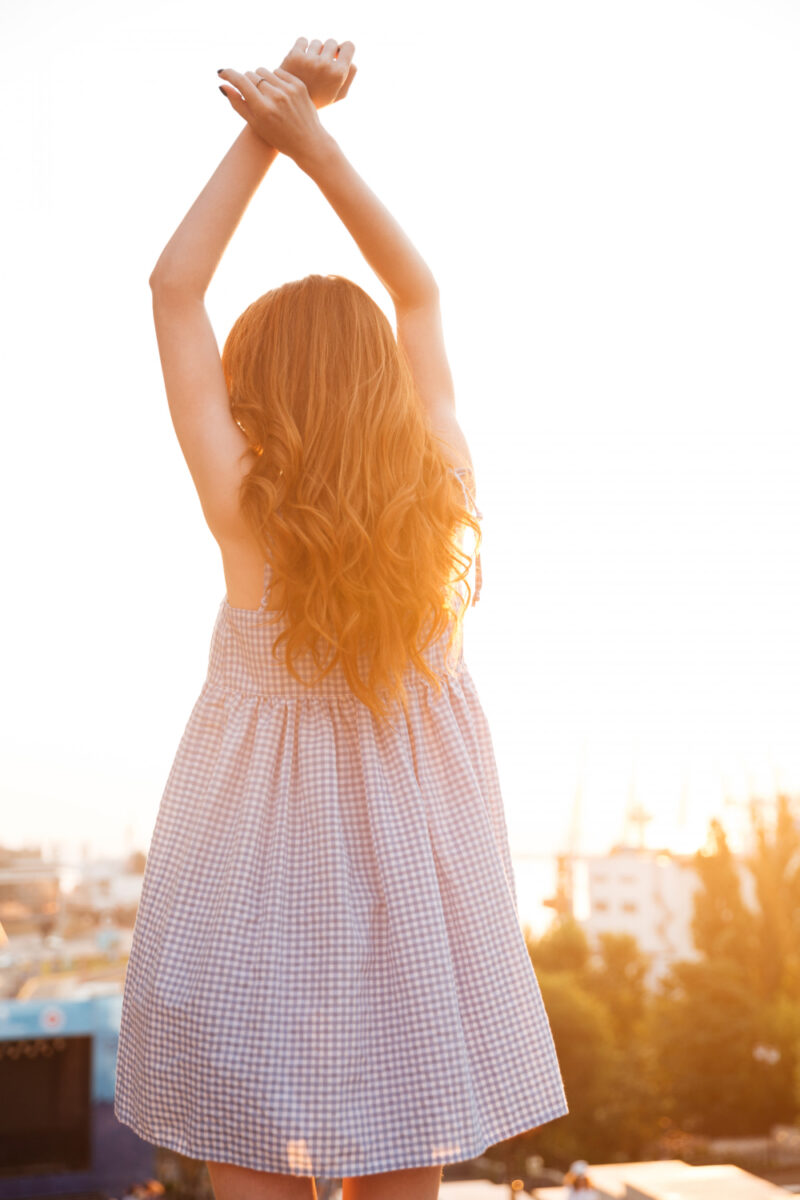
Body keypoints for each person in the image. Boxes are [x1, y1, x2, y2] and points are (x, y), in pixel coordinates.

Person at [113, 35, 569, 1200]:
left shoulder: (246, 516)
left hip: (246, 898)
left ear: (255, 389)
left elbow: (173, 287)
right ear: (383, 386)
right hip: (417, 903)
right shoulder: (441, 500)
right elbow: (416, 290)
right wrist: (318, 141)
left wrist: (268, 128)